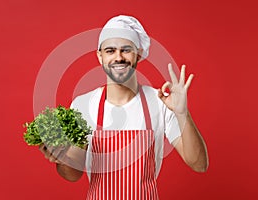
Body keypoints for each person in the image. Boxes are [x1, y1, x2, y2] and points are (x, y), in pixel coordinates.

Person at [39, 15, 208, 199]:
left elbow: (199, 164)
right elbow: (73, 174)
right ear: (100, 56)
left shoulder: (159, 102)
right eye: (110, 50)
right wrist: (61, 158)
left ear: (138, 54)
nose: (118, 57)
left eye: (126, 50)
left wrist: (183, 113)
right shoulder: (83, 105)